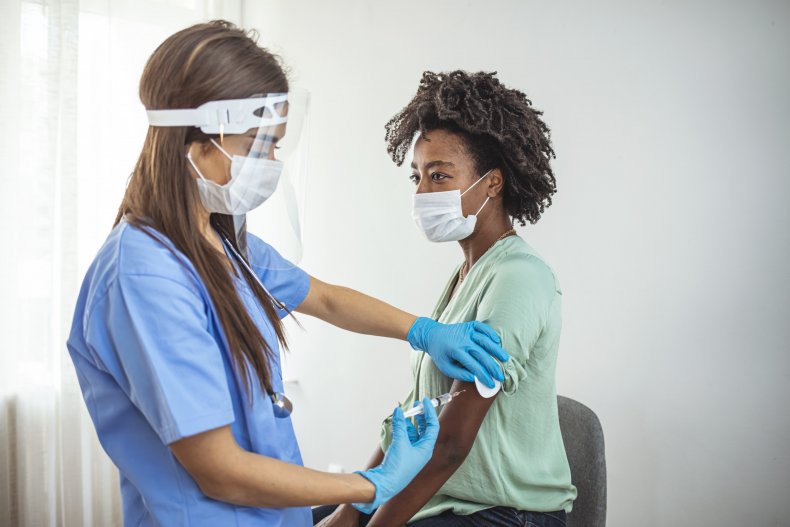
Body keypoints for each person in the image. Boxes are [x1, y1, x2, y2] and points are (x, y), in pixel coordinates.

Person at [66, 23, 511, 527]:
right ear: (199, 141)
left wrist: (424, 332)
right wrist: (372, 484)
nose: (272, 162)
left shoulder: (220, 242)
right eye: (260, 145)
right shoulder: (143, 277)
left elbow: (323, 298)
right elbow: (220, 470)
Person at [313, 71, 576, 527]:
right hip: (446, 499)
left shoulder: (518, 277)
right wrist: (351, 509)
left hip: (506, 514)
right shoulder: (464, 278)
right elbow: (420, 410)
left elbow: (452, 443)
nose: (421, 193)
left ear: (492, 184)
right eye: (417, 176)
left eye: (439, 176)